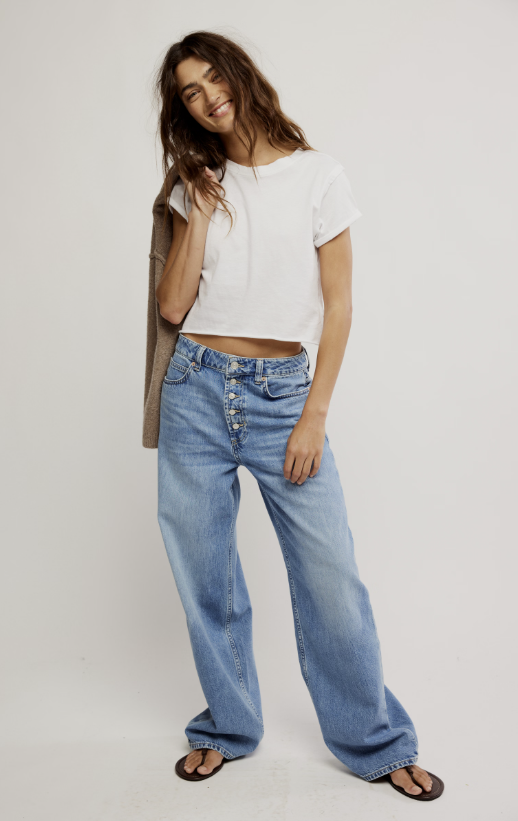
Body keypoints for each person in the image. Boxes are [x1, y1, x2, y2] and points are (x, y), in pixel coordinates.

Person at [149, 30, 443, 801]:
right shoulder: (195, 182)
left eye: (214, 78)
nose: (208, 96)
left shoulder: (318, 175)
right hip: (197, 388)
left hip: (285, 397)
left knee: (330, 577)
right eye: (189, 91)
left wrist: (315, 414)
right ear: (184, 108)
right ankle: (227, 727)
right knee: (204, 573)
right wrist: (203, 211)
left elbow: (340, 307)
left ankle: (375, 739)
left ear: (240, 76)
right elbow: (174, 306)